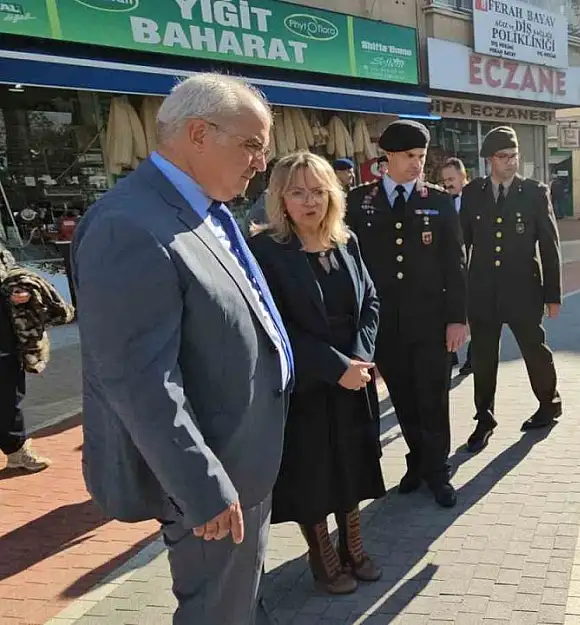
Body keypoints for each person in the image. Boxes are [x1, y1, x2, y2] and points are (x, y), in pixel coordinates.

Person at [73, 74, 292, 624]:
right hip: (210, 479)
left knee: (238, 603)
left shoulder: (205, 206)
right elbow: (140, 380)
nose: (260, 163)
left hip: (244, 456)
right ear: (198, 133)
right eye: (251, 145)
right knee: (217, 613)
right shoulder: (129, 224)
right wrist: (203, 486)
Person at [247, 152, 384, 594]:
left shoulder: (346, 241)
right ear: (280, 199)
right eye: (298, 192)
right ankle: (322, 554)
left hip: (352, 377)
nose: (310, 202)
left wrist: (358, 359)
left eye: (319, 191)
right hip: (307, 382)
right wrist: (334, 366)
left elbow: (371, 303)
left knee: (352, 462)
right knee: (313, 470)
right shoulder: (267, 250)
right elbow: (275, 326)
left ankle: (353, 544)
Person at [346, 120, 467, 508]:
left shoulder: (438, 200)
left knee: (434, 399)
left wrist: (457, 319)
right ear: (389, 157)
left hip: (431, 322)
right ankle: (417, 463)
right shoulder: (359, 201)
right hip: (385, 325)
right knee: (403, 399)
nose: (418, 164)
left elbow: (455, 264)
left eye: (422, 156)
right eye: (410, 157)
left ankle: (438, 471)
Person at [459, 126, 563, 453]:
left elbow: (550, 246)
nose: (510, 162)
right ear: (490, 159)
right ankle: (484, 418)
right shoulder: (472, 193)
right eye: (503, 157)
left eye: (514, 156)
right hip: (482, 292)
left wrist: (553, 295)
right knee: (483, 358)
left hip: (524, 291)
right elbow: (463, 246)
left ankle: (549, 403)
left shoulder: (534, 192)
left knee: (535, 351)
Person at [1, 243, 69, 473]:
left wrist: (20, 292)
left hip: (6, 342)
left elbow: (9, 271)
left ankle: (16, 451)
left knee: (9, 399)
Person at [440, 157, 473, 375]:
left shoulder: (475, 200)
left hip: (472, 268)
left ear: (463, 176)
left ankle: (473, 359)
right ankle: (449, 355)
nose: (447, 184)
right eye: (444, 181)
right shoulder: (440, 201)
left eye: (451, 179)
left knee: (475, 318)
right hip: (447, 271)